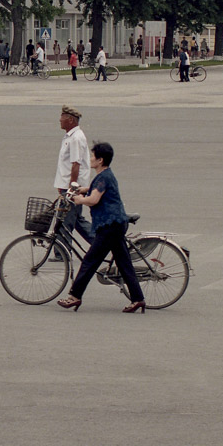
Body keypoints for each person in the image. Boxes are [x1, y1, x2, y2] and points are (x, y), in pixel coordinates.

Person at [56, 141, 146, 313]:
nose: (90, 159)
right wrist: (82, 189)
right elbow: (94, 190)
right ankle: (138, 299)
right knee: (124, 263)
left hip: (109, 226)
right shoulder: (105, 175)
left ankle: (74, 296)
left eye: (93, 156)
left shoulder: (103, 177)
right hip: (115, 224)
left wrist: (79, 199)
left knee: (90, 261)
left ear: (100, 160)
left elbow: (93, 199)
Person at [54, 105, 93, 243]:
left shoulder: (76, 138)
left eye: (62, 118)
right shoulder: (70, 136)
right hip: (68, 185)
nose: (59, 120)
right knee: (76, 220)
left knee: (65, 220)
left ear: (70, 120)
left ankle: (61, 252)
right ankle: (99, 243)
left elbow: (76, 164)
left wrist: (71, 188)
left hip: (73, 187)